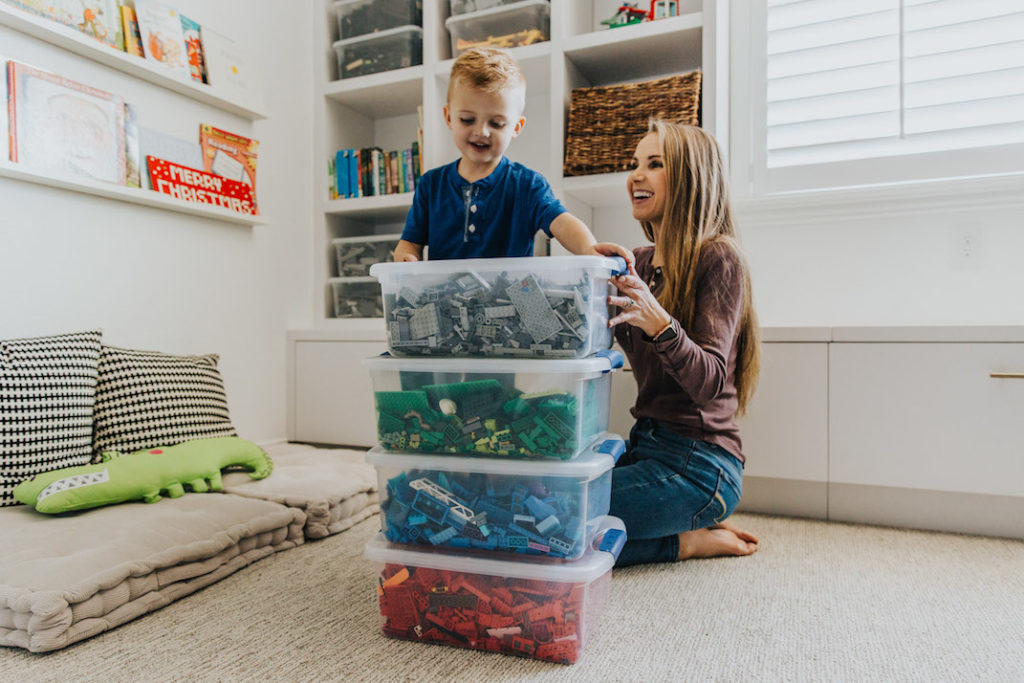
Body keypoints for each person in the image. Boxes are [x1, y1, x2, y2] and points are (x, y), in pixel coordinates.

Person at [597, 120, 762, 566]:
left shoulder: (719, 256)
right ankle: (681, 520)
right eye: (634, 164)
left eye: (654, 164)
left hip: (702, 465)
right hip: (645, 444)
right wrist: (584, 283)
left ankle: (688, 540)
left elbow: (709, 381)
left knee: (567, 520)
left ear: (690, 177)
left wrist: (660, 322)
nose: (635, 175)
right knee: (543, 505)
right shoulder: (641, 261)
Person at [394, 47, 624, 262]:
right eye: (467, 119)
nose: (481, 131)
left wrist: (589, 248)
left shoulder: (528, 185)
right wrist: (406, 260)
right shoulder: (430, 185)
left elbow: (561, 222)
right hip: (444, 302)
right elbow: (410, 243)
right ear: (448, 118)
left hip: (509, 302)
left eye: (497, 123)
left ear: (516, 127)